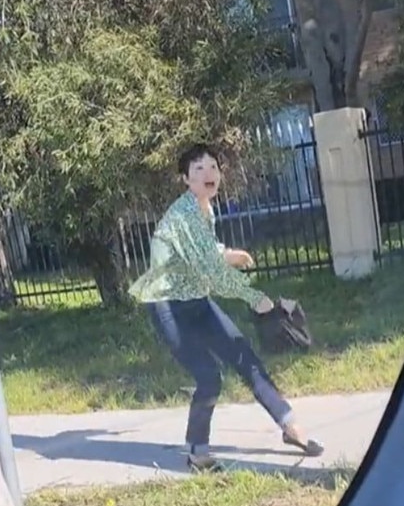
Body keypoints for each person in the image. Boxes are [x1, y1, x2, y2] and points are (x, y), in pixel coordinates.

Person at [129, 143, 324, 471]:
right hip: (169, 307)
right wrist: (247, 286)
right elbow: (206, 263)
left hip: (196, 301)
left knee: (245, 357)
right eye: (199, 169)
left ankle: (291, 427)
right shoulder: (182, 213)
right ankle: (196, 451)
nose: (209, 174)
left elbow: (204, 250)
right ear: (185, 179)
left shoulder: (206, 208)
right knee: (208, 377)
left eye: (213, 167)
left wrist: (225, 252)